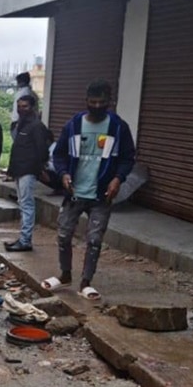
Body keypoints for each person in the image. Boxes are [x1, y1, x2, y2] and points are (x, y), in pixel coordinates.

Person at [41, 79, 135, 302]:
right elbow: (59, 154)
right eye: (92, 101)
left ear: (109, 102)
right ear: (86, 101)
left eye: (102, 102)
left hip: (101, 195)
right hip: (74, 193)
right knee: (63, 235)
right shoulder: (73, 125)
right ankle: (65, 274)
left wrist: (118, 179)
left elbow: (127, 158)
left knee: (94, 240)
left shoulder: (118, 127)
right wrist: (63, 173)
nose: (97, 106)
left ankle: (86, 281)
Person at [4, 94, 52, 252]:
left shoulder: (36, 126)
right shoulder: (21, 124)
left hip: (28, 171)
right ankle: (23, 238)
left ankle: (25, 241)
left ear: (32, 107)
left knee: (27, 205)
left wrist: (40, 170)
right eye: (19, 106)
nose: (21, 109)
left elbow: (42, 150)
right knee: (23, 204)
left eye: (25, 106)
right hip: (19, 170)